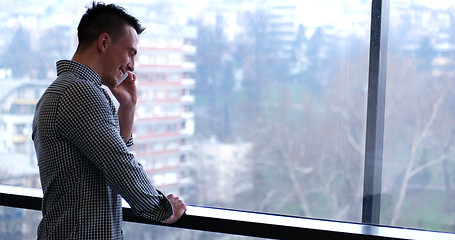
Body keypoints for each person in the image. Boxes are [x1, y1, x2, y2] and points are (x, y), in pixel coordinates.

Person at [32, 2, 186, 239]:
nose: (132, 65)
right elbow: (119, 165)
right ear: (103, 43)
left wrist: (128, 107)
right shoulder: (79, 93)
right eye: (130, 52)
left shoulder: (66, 90)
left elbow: (106, 157)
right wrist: (162, 208)